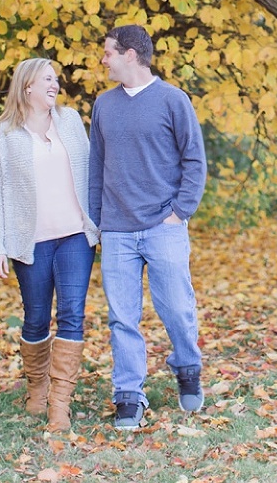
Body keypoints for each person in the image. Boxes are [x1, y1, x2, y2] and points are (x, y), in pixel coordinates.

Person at [89, 25, 207, 431]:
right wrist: (98, 218)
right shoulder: (103, 105)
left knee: (175, 307)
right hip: (117, 228)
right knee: (122, 317)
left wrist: (179, 212)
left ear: (131, 55)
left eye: (108, 53)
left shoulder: (173, 100)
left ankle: (187, 367)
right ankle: (128, 395)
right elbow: (96, 165)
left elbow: (194, 161)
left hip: (163, 224)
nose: (103, 60)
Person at [0, 57, 99, 431]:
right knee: (35, 317)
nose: (54, 85)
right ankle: (37, 386)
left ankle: (60, 406)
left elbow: (91, 172)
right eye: (46, 80)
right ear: (27, 86)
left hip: (74, 235)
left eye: (56, 80)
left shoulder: (69, 121)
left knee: (72, 314)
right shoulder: (3, 133)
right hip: (30, 241)